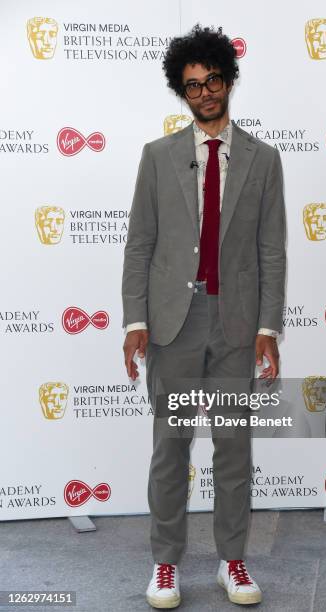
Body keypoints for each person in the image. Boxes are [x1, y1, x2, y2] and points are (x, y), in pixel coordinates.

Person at [122, 24, 287, 608]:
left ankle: (232, 562)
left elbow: (272, 250)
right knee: (170, 446)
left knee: (233, 447)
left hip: (237, 325)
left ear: (228, 79)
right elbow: (140, 244)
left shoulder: (264, 161)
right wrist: (133, 320)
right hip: (173, 323)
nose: (205, 93)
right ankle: (165, 565)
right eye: (192, 86)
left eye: (212, 79)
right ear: (181, 92)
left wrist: (269, 329)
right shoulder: (158, 157)